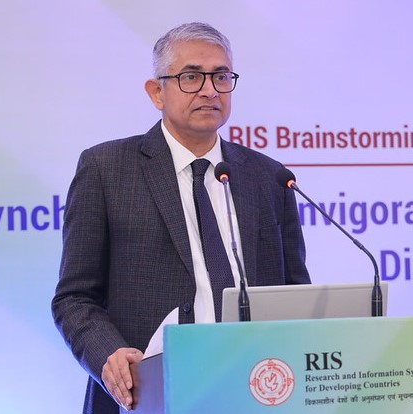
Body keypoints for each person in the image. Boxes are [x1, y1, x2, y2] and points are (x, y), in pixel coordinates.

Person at [51, 22, 310, 413]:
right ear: (157, 92)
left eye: (221, 76)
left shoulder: (269, 176)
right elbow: (74, 298)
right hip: (149, 393)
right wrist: (109, 355)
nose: (210, 90)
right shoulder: (106, 169)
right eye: (191, 77)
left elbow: (293, 293)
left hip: (253, 389)